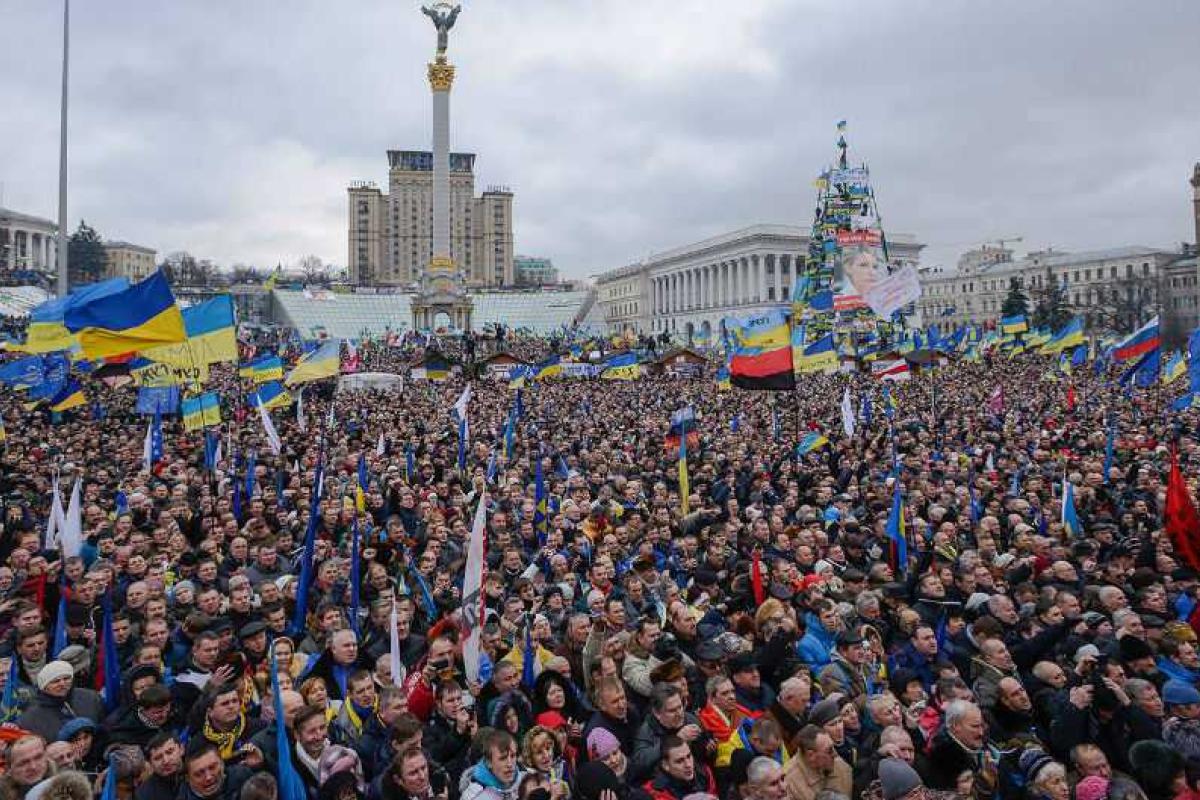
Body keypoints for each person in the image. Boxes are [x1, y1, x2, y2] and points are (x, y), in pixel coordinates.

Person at [781, 725, 851, 800]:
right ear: (811, 755)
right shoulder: (788, 783)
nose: (835, 754)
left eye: (833, 747)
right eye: (829, 750)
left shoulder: (842, 767)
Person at [640, 735, 716, 800]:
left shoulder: (705, 773)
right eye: (679, 761)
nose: (688, 765)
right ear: (666, 765)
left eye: (689, 756)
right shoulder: (651, 793)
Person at [461, 729, 522, 800]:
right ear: (489, 762)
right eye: (503, 758)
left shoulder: (527, 783)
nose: (509, 764)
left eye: (513, 756)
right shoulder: (473, 797)